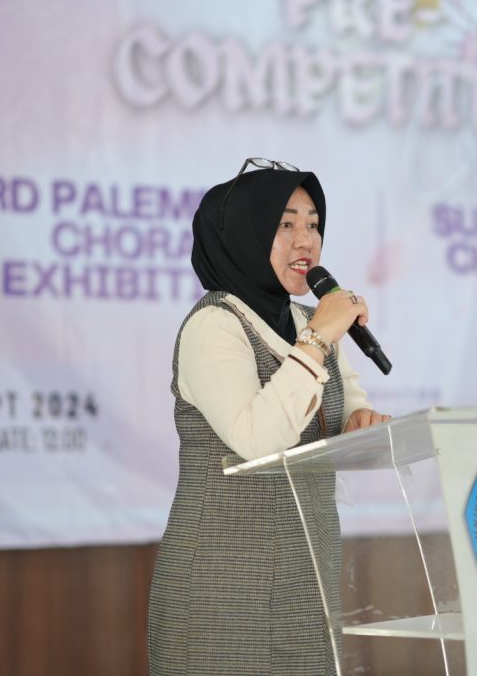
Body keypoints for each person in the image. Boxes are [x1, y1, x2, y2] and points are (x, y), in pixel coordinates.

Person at [147, 158, 389, 675]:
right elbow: (258, 438)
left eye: (314, 225)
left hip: (307, 581)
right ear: (244, 234)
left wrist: (361, 423)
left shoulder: (311, 322)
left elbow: (351, 404)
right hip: (222, 590)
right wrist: (319, 337)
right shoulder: (215, 323)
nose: (306, 241)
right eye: (285, 225)